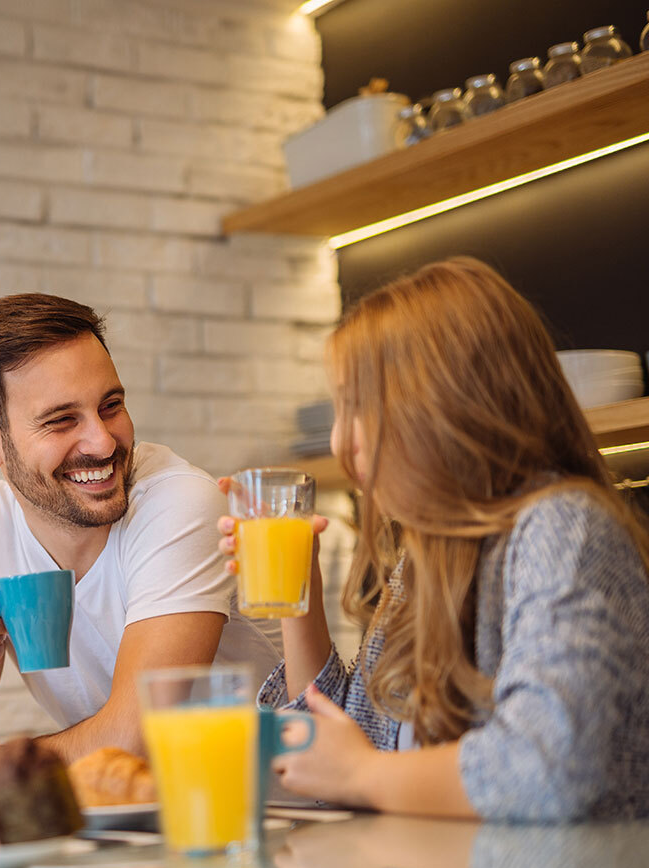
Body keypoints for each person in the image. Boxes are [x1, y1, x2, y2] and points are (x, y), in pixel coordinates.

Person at [218, 257, 649, 821]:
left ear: (446, 405)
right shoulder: (425, 559)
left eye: (360, 406)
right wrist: (298, 592)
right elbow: (347, 748)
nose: (338, 438)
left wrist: (360, 773)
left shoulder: (563, 530)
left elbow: (550, 768)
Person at [0, 293, 281, 767]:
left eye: (111, 405)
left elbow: (137, 739)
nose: (103, 441)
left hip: (269, 814)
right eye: (62, 420)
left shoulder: (178, 500)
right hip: (124, 819)